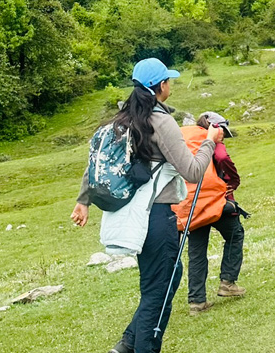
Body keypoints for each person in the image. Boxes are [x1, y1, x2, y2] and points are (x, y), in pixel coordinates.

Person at [71, 58, 224, 353]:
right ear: (161, 86)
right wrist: (209, 141)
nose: (170, 85)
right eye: (169, 80)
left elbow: (98, 163)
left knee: (168, 276)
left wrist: (83, 201)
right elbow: (193, 171)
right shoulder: (161, 121)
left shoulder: (121, 120)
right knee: (158, 290)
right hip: (156, 216)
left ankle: (127, 344)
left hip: (134, 215)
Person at [180, 112, 248, 315]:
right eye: (223, 131)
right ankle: (227, 282)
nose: (223, 136)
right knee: (235, 234)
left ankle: (197, 301)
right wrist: (234, 181)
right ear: (215, 126)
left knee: (197, 252)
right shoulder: (211, 138)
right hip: (215, 201)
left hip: (191, 204)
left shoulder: (186, 139)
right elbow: (222, 157)